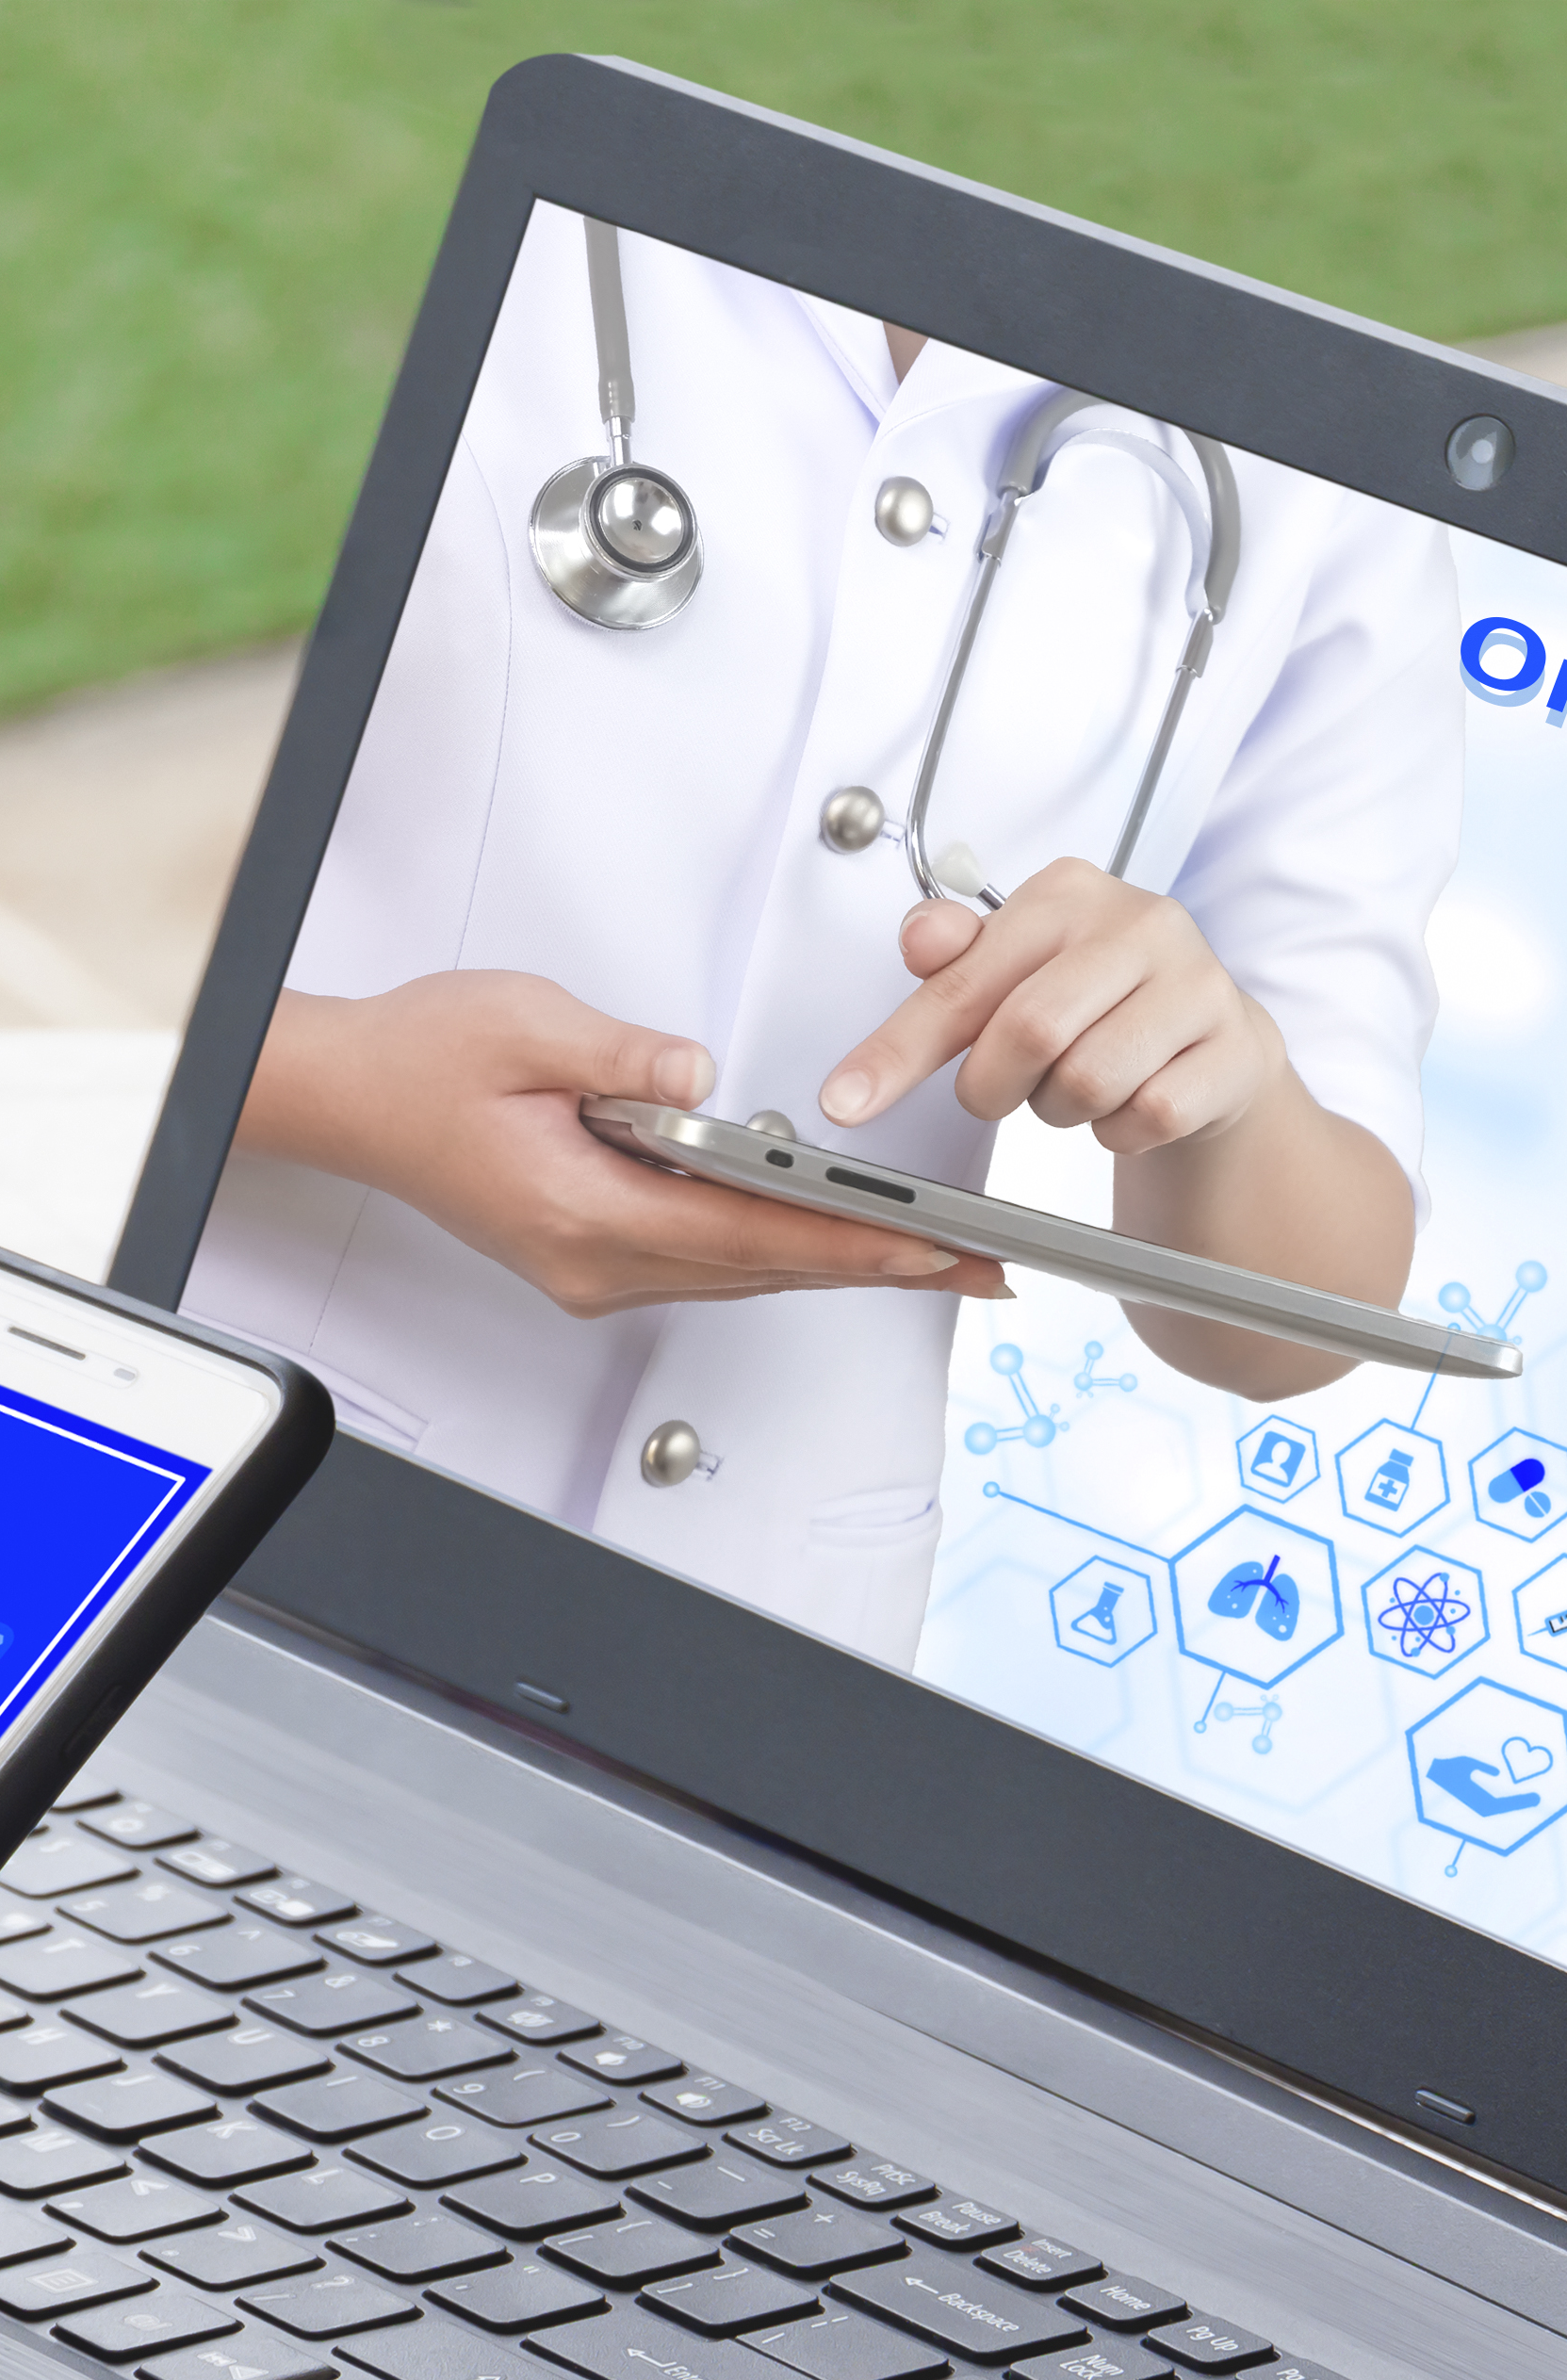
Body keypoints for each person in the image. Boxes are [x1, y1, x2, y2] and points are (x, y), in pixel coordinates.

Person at [186, 222, 1461, 1659]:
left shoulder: (1327, 478)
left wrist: (1222, 1086)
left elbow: (1289, 1326)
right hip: (233, 1479)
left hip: (765, 1633)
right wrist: (345, 1089)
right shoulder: (519, 224)